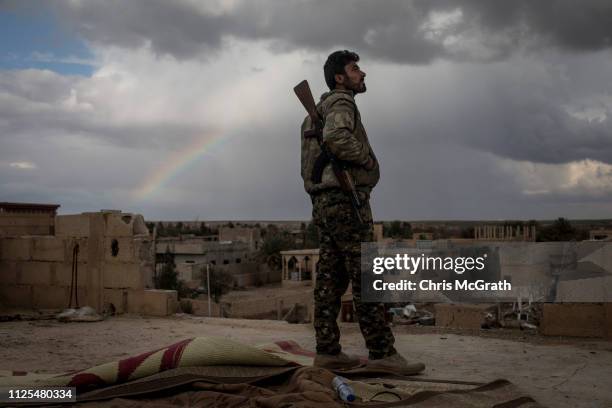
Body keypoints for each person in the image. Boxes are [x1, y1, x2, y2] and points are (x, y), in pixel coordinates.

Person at [300, 50, 425, 374]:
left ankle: (327, 351)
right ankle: (382, 353)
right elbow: (337, 138)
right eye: (356, 69)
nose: (363, 73)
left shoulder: (317, 111)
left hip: (325, 203)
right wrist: (367, 161)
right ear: (341, 78)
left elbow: (310, 164)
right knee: (368, 276)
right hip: (344, 201)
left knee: (330, 278)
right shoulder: (342, 103)